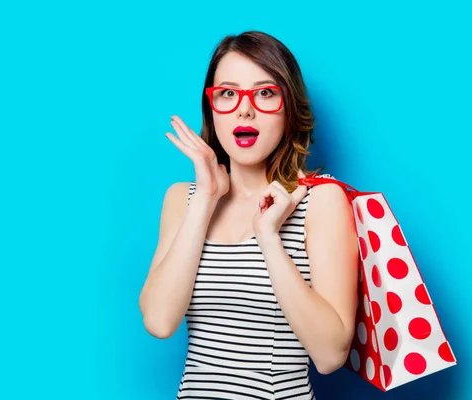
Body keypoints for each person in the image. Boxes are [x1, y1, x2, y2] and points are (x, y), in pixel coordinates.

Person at [139, 30, 359, 400]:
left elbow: (329, 355)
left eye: (265, 93)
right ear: (211, 107)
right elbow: (160, 322)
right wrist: (206, 198)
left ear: (289, 108)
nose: (244, 108)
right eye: (228, 93)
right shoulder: (183, 199)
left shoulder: (320, 200)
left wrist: (270, 239)